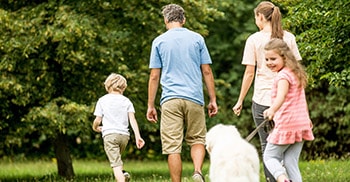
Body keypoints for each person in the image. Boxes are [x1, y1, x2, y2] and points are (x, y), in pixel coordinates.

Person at [146, 4, 218, 182]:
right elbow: (207, 71)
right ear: (183, 19)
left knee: (173, 147)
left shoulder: (159, 41)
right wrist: (212, 99)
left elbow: (154, 76)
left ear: (165, 20)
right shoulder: (197, 39)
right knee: (197, 139)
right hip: (194, 97)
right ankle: (197, 172)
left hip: (170, 99)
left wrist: (150, 105)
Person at [231, 1, 302, 181]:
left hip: (263, 99)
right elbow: (297, 71)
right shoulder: (289, 38)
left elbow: (249, 73)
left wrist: (240, 100)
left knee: (268, 147)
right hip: (287, 101)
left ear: (260, 17)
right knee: (287, 149)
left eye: (256, 17)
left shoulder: (254, 39)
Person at [262, 38, 314, 182]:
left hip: (287, 124)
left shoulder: (283, 76)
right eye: (266, 59)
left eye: (273, 58)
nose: (269, 62)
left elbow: (282, 96)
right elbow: (301, 100)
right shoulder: (294, 73)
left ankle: (282, 178)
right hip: (300, 124)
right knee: (291, 162)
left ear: (284, 57)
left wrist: (272, 109)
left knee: (270, 156)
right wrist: (307, 118)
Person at [92, 73, 145, 182]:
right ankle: (123, 175)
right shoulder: (127, 101)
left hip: (110, 136)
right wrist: (138, 136)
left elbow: (98, 120)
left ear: (108, 85)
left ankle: (121, 177)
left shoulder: (102, 100)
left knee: (115, 166)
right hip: (124, 137)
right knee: (118, 161)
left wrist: (95, 127)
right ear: (123, 87)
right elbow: (132, 120)